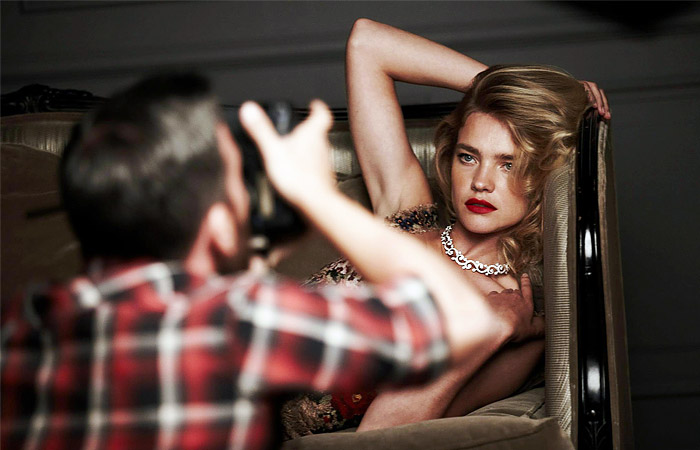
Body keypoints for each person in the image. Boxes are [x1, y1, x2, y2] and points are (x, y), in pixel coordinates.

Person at [0, 73, 543, 450]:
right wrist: (314, 196)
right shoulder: (248, 319)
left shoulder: (29, 321)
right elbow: (458, 322)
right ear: (216, 228)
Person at [281, 18, 610, 437]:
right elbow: (368, 43)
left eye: (509, 164)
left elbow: (376, 437)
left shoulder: (515, 323)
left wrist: (493, 331)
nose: (481, 182)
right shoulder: (408, 216)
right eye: (468, 156)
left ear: (544, 176)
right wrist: (511, 91)